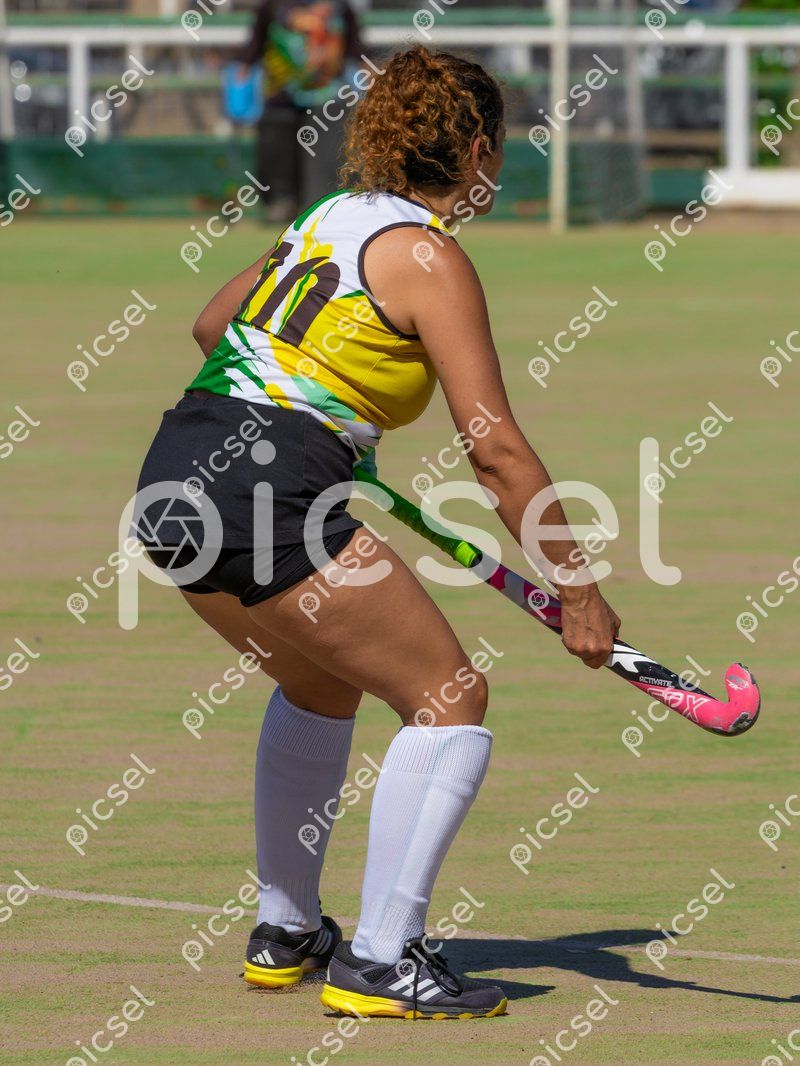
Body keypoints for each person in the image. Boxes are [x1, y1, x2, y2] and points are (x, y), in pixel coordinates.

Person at [133, 45, 620, 1020]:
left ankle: (286, 931)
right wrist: (578, 587)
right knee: (449, 696)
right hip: (268, 492)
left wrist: (325, 416)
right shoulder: (432, 257)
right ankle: (381, 960)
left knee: (320, 683)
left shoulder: (326, 218)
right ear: (477, 150)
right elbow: (495, 452)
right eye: (499, 146)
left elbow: (212, 325)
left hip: (173, 478)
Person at [238, 0, 364, 220]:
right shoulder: (273, 5)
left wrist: (365, 65)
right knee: (279, 153)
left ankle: (321, 205)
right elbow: (257, 39)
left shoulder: (340, 6)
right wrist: (245, 66)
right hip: (281, 97)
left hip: (326, 98)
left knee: (325, 155)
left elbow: (355, 45)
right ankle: (282, 202)